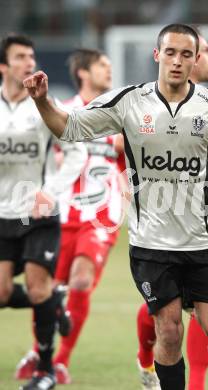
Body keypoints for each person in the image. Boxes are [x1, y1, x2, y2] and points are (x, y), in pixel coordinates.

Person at [23, 24, 208, 390]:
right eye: (170, 53)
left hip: (204, 241)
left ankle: (183, 302)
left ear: (194, 59)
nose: (177, 61)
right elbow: (66, 127)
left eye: (186, 55)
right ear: (157, 55)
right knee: (169, 330)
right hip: (151, 242)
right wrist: (42, 100)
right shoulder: (129, 101)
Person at [16, 48, 126, 385]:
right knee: (45, 289)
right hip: (62, 213)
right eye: (102, 65)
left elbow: (131, 161)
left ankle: (60, 361)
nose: (109, 70)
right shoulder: (60, 111)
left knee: (79, 282)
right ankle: (41, 351)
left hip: (102, 216)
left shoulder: (119, 116)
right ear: (83, 72)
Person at [135, 29, 208, 390]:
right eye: (206, 51)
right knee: (169, 319)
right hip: (159, 233)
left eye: (200, 51)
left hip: (202, 229)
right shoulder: (144, 106)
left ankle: (154, 360)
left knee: (203, 321)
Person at [0, 34, 87, 390]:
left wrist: (50, 193)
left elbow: (78, 152)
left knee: (36, 291)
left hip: (37, 216)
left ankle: (46, 371)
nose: (27, 62)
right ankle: (56, 301)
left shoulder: (44, 106)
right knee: (2, 293)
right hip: (3, 215)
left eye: (31, 56)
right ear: (3, 66)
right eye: (20, 57)